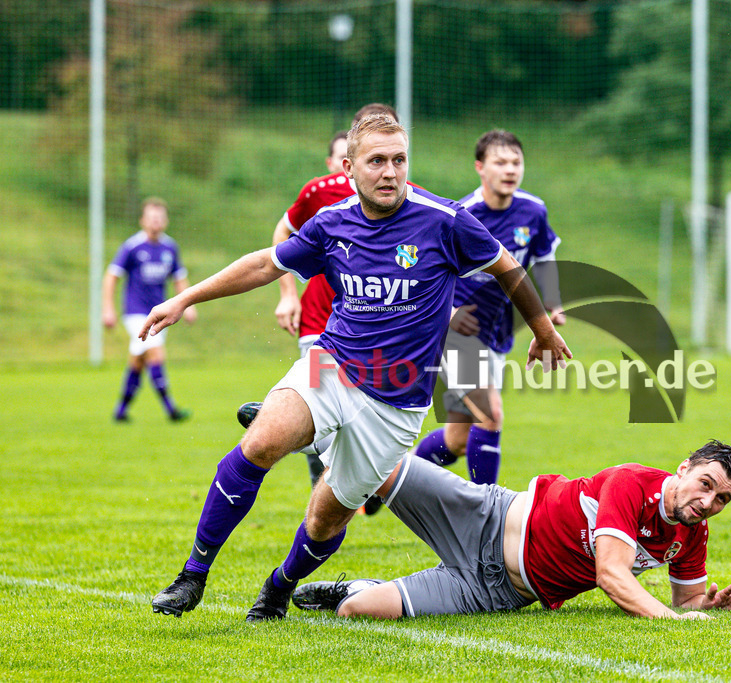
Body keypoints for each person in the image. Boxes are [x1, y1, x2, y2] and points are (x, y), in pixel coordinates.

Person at [143, 114, 572, 622]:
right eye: (377, 161)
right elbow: (265, 264)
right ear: (350, 168)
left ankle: (280, 585)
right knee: (260, 443)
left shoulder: (444, 220)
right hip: (332, 366)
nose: (390, 172)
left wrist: (543, 330)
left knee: (324, 522)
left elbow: (506, 265)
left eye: (399, 160)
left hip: (396, 407)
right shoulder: (332, 222)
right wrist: (186, 297)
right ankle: (194, 573)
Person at [290, 440, 731, 621]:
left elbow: (686, 602)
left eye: (721, 499)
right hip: (485, 517)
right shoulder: (634, 483)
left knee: (356, 611)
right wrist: (673, 620)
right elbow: (611, 575)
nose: (707, 502)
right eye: (705, 484)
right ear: (684, 469)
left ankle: (359, 586)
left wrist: (706, 604)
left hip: (497, 593)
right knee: (378, 464)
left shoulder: (692, 533)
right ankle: (308, 427)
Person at [243, 103, 399, 490]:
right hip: (321, 319)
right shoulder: (320, 193)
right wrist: (287, 295)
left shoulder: (407, 198)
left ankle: (345, 470)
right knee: (321, 395)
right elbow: (281, 238)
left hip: (379, 326)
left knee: (368, 413)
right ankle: (297, 437)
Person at [412, 130, 564, 485]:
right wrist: (448, 314)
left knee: (458, 439)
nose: (510, 170)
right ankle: (488, 517)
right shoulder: (462, 215)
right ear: (480, 167)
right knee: (490, 415)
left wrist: (552, 304)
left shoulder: (533, 210)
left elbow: (544, 257)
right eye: (500, 162)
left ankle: (389, 481)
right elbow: (430, 273)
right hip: (457, 333)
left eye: (516, 162)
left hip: (496, 335)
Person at [102, 197, 196, 422]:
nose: (156, 222)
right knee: (155, 353)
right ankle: (171, 409)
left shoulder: (170, 247)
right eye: (152, 217)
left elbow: (179, 279)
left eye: (160, 217)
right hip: (135, 312)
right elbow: (111, 276)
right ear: (142, 220)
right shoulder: (132, 246)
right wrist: (108, 308)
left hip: (161, 312)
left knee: (138, 360)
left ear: (166, 221)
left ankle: (121, 411)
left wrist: (189, 306)